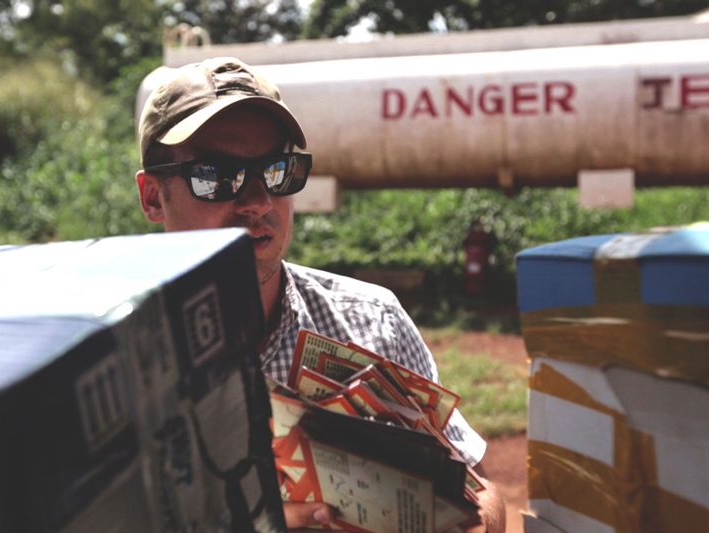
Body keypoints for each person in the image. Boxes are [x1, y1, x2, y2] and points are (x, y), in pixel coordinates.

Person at [136, 56, 506, 532]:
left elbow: (479, 487)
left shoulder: (374, 324)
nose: (258, 202)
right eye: (215, 175)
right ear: (151, 197)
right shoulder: (115, 366)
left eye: (276, 171)